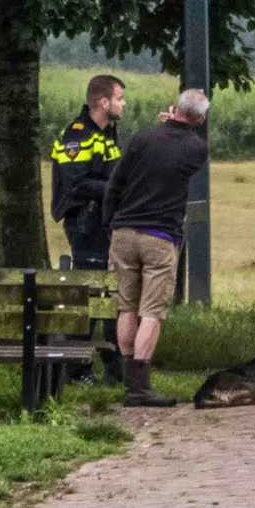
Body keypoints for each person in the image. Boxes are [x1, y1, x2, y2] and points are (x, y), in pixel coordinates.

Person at [100, 87, 211, 407]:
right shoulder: (196, 149)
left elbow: (115, 183)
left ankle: (127, 382)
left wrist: (111, 224)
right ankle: (140, 387)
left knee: (126, 308)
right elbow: (188, 134)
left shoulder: (141, 138)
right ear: (200, 118)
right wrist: (181, 121)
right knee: (151, 312)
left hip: (123, 233)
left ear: (175, 108)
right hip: (159, 238)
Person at [50, 74, 126, 270]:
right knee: (91, 283)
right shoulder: (77, 136)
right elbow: (77, 184)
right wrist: (117, 189)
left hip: (105, 219)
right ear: (104, 102)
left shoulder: (106, 133)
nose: (123, 103)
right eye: (120, 98)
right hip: (86, 223)